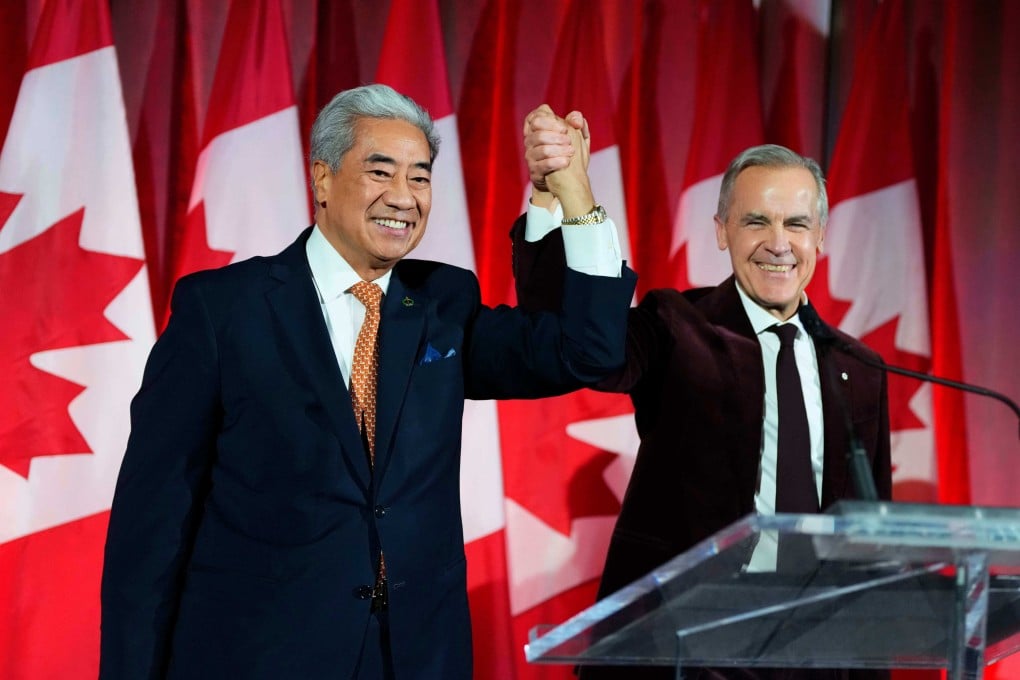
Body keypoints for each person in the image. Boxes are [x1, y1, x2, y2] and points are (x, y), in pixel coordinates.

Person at [99, 85, 636, 680]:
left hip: (415, 658)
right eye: (381, 172)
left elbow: (586, 353)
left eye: (421, 178)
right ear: (322, 179)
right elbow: (150, 528)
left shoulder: (443, 304)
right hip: (259, 656)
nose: (403, 198)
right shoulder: (222, 311)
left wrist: (572, 196)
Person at [515, 107, 892, 680]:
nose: (778, 243)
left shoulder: (859, 370)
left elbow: (869, 547)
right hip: (684, 651)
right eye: (755, 222)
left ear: (819, 234)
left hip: (813, 653)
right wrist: (557, 200)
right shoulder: (676, 325)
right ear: (721, 230)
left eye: (795, 224)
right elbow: (577, 346)